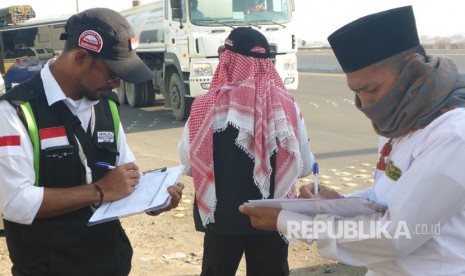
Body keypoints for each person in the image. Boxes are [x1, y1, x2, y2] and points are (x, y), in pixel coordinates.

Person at [239, 5, 465, 275]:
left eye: (371, 89)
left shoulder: (452, 136)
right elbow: (384, 198)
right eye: (356, 92)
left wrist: (290, 221)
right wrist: (336, 202)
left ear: (412, 69)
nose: (365, 104)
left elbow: (395, 235)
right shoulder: (402, 122)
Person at [0, 8, 183, 275]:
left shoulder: (105, 105)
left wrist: (154, 199)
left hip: (109, 263)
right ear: (82, 57)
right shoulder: (16, 111)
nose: (116, 85)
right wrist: (98, 191)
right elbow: (15, 203)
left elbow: (125, 174)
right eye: (112, 75)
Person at [178, 27, 316, 276]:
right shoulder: (288, 109)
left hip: (222, 219)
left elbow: (188, 164)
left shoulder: (204, 107)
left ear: (227, 60)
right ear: (267, 63)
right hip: (273, 219)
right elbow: (304, 166)